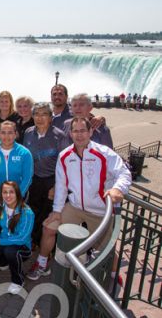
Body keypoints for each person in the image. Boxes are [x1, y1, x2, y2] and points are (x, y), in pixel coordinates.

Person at [28, 117, 132, 281]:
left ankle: (113, 274)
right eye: (75, 131)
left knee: (106, 247)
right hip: (75, 207)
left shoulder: (104, 153)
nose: (79, 135)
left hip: (100, 210)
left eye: (83, 130)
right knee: (49, 227)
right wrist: (56, 211)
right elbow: (61, 185)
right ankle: (41, 264)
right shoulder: (65, 156)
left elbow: (124, 173)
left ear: (90, 132)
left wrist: (118, 189)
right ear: (70, 133)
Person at [23, 103, 68, 245]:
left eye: (44, 114)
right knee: (33, 211)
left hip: (51, 181)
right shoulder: (28, 132)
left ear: (50, 118)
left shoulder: (60, 136)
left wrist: (56, 186)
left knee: (48, 215)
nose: (39, 118)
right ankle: (34, 242)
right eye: (36, 114)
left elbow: (64, 164)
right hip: (34, 180)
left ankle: (47, 247)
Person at [0, 181, 34, 294]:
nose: (8, 195)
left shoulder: (27, 212)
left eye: (11, 192)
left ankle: (18, 281)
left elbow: (22, 238)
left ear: (18, 194)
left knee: (11, 252)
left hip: (22, 247)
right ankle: (4, 262)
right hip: (2, 243)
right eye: (5, 192)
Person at [0, 121, 33, 200]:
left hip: (19, 196)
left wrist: (17, 196)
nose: (6, 136)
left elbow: (27, 178)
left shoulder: (25, 153)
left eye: (10, 132)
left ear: (15, 134)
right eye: (3, 132)